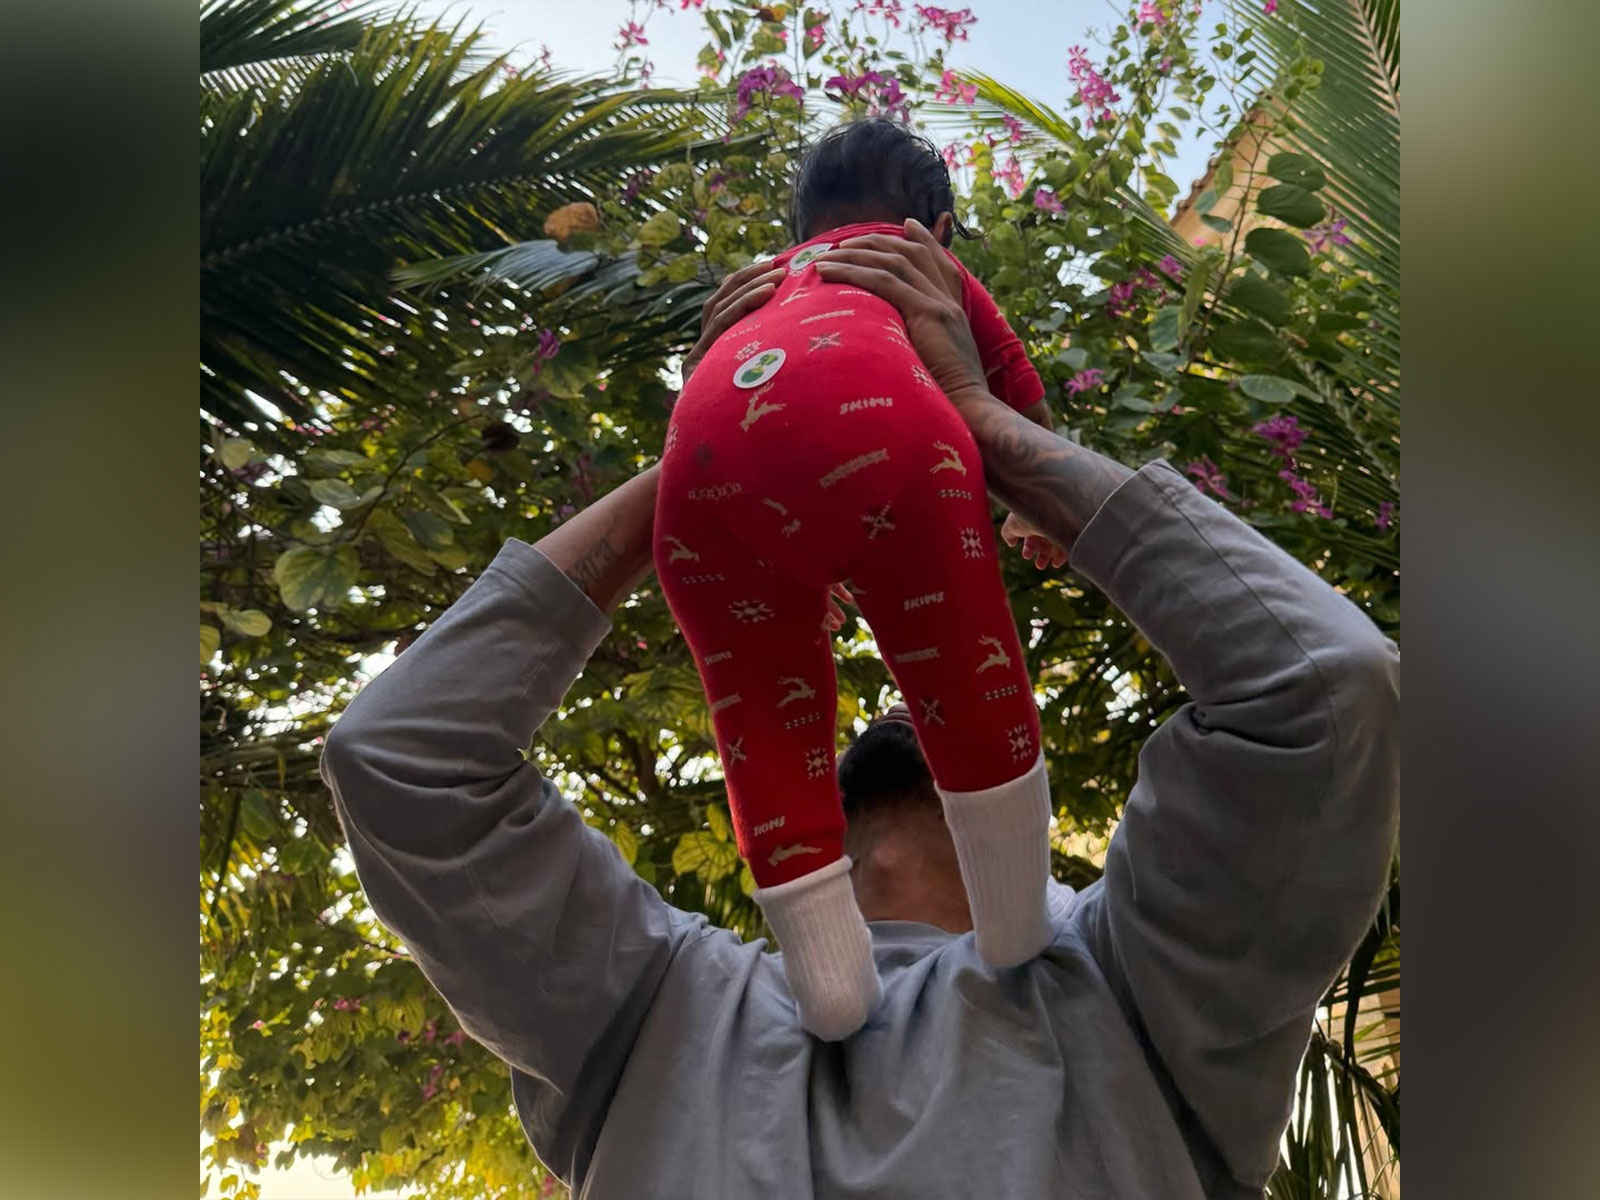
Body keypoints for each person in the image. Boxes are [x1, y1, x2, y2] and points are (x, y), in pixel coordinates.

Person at [321, 220, 1400, 1198]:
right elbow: (398, 761)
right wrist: (713, 440)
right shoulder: (647, 1009)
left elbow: (1326, 691)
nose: (888, 705)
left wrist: (974, 416)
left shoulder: (1139, 991)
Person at [655, 119, 1064, 1039]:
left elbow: (760, 411)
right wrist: (1032, 508)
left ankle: (829, 985)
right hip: (885, 435)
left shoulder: (760, 289)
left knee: (761, 715)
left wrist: (787, 537)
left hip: (702, 469)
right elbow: (1014, 383)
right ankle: (1012, 924)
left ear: (799, 225)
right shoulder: (919, 263)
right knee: (962, 668)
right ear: (942, 225)